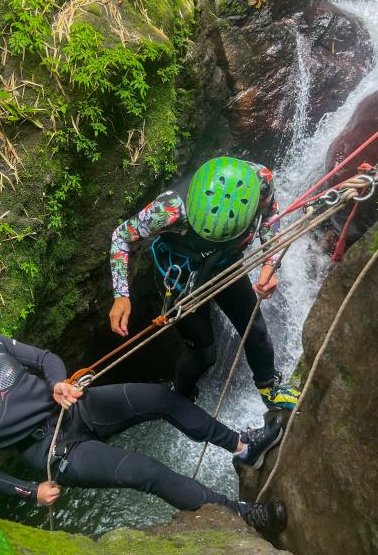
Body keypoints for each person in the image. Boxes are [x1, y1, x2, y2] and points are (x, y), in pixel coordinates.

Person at [0, 321, 287, 533]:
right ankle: (238, 514)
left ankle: (243, 446)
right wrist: (30, 491)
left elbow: (44, 357)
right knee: (147, 472)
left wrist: (59, 382)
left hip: (74, 407)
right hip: (54, 451)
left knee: (163, 399)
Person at [109, 156, 299, 407]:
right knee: (204, 353)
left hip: (224, 263)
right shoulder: (169, 209)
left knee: (256, 330)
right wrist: (121, 295)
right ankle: (182, 396)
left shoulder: (260, 180)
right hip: (179, 276)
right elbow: (122, 236)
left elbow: (270, 216)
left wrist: (270, 264)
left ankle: (269, 389)